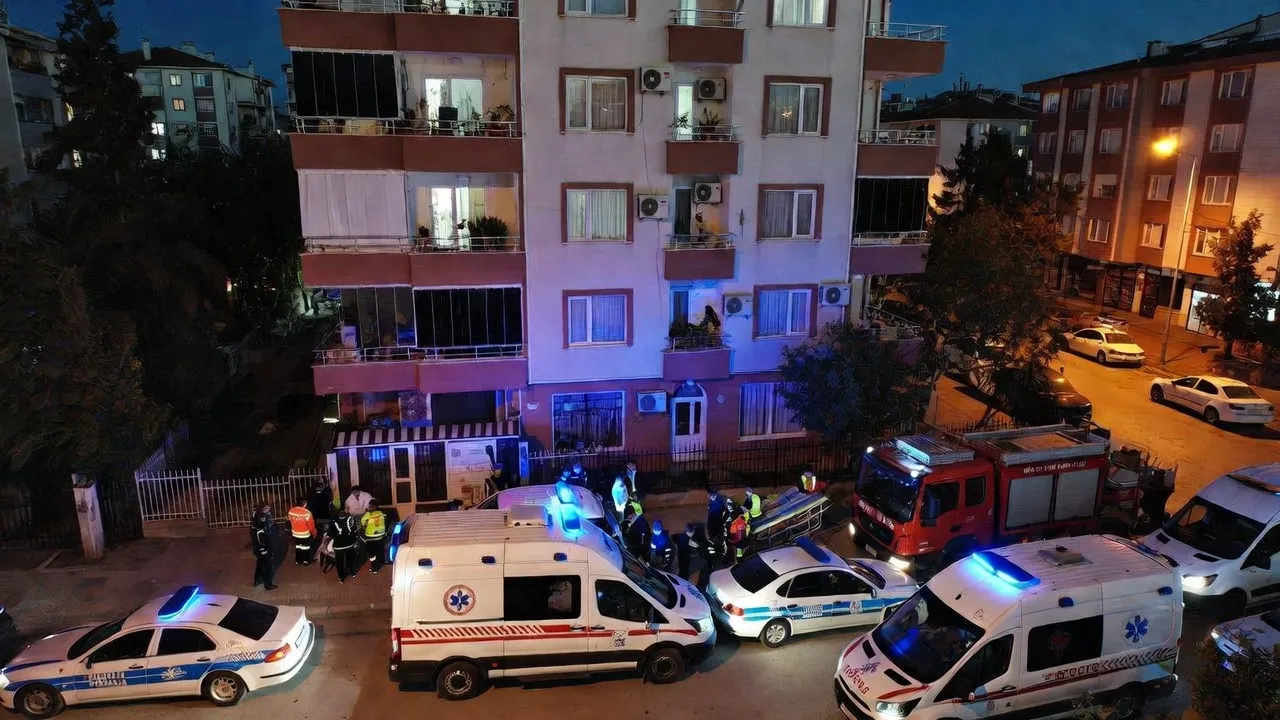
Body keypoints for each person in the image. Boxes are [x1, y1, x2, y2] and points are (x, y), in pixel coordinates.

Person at [328, 508, 362, 583]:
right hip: (350, 543)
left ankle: (341, 578)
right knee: (350, 559)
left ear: (338, 514)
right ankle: (352, 572)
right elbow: (355, 530)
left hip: (338, 545)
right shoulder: (350, 519)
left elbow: (330, 534)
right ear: (346, 513)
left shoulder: (333, 521)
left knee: (339, 562)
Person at [251, 505, 277, 591]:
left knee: (259, 566)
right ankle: (268, 585)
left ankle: (257, 581)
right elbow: (266, 542)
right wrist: (269, 550)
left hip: (258, 551)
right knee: (267, 568)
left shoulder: (254, 526)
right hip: (264, 552)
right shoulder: (261, 531)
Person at [360, 500, 388, 574]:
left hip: (370, 536)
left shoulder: (368, 514)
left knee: (371, 553)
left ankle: (375, 567)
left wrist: (366, 525)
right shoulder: (381, 513)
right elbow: (386, 521)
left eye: (369, 506)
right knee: (380, 550)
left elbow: (362, 521)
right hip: (380, 535)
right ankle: (381, 562)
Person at [287, 496, 317, 566]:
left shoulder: (291, 511)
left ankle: (298, 561)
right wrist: (313, 533)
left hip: (295, 534)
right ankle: (306, 561)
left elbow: (290, 521)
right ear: (305, 504)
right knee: (305, 548)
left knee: (298, 547)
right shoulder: (307, 513)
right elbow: (311, 526)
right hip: (304, 534)